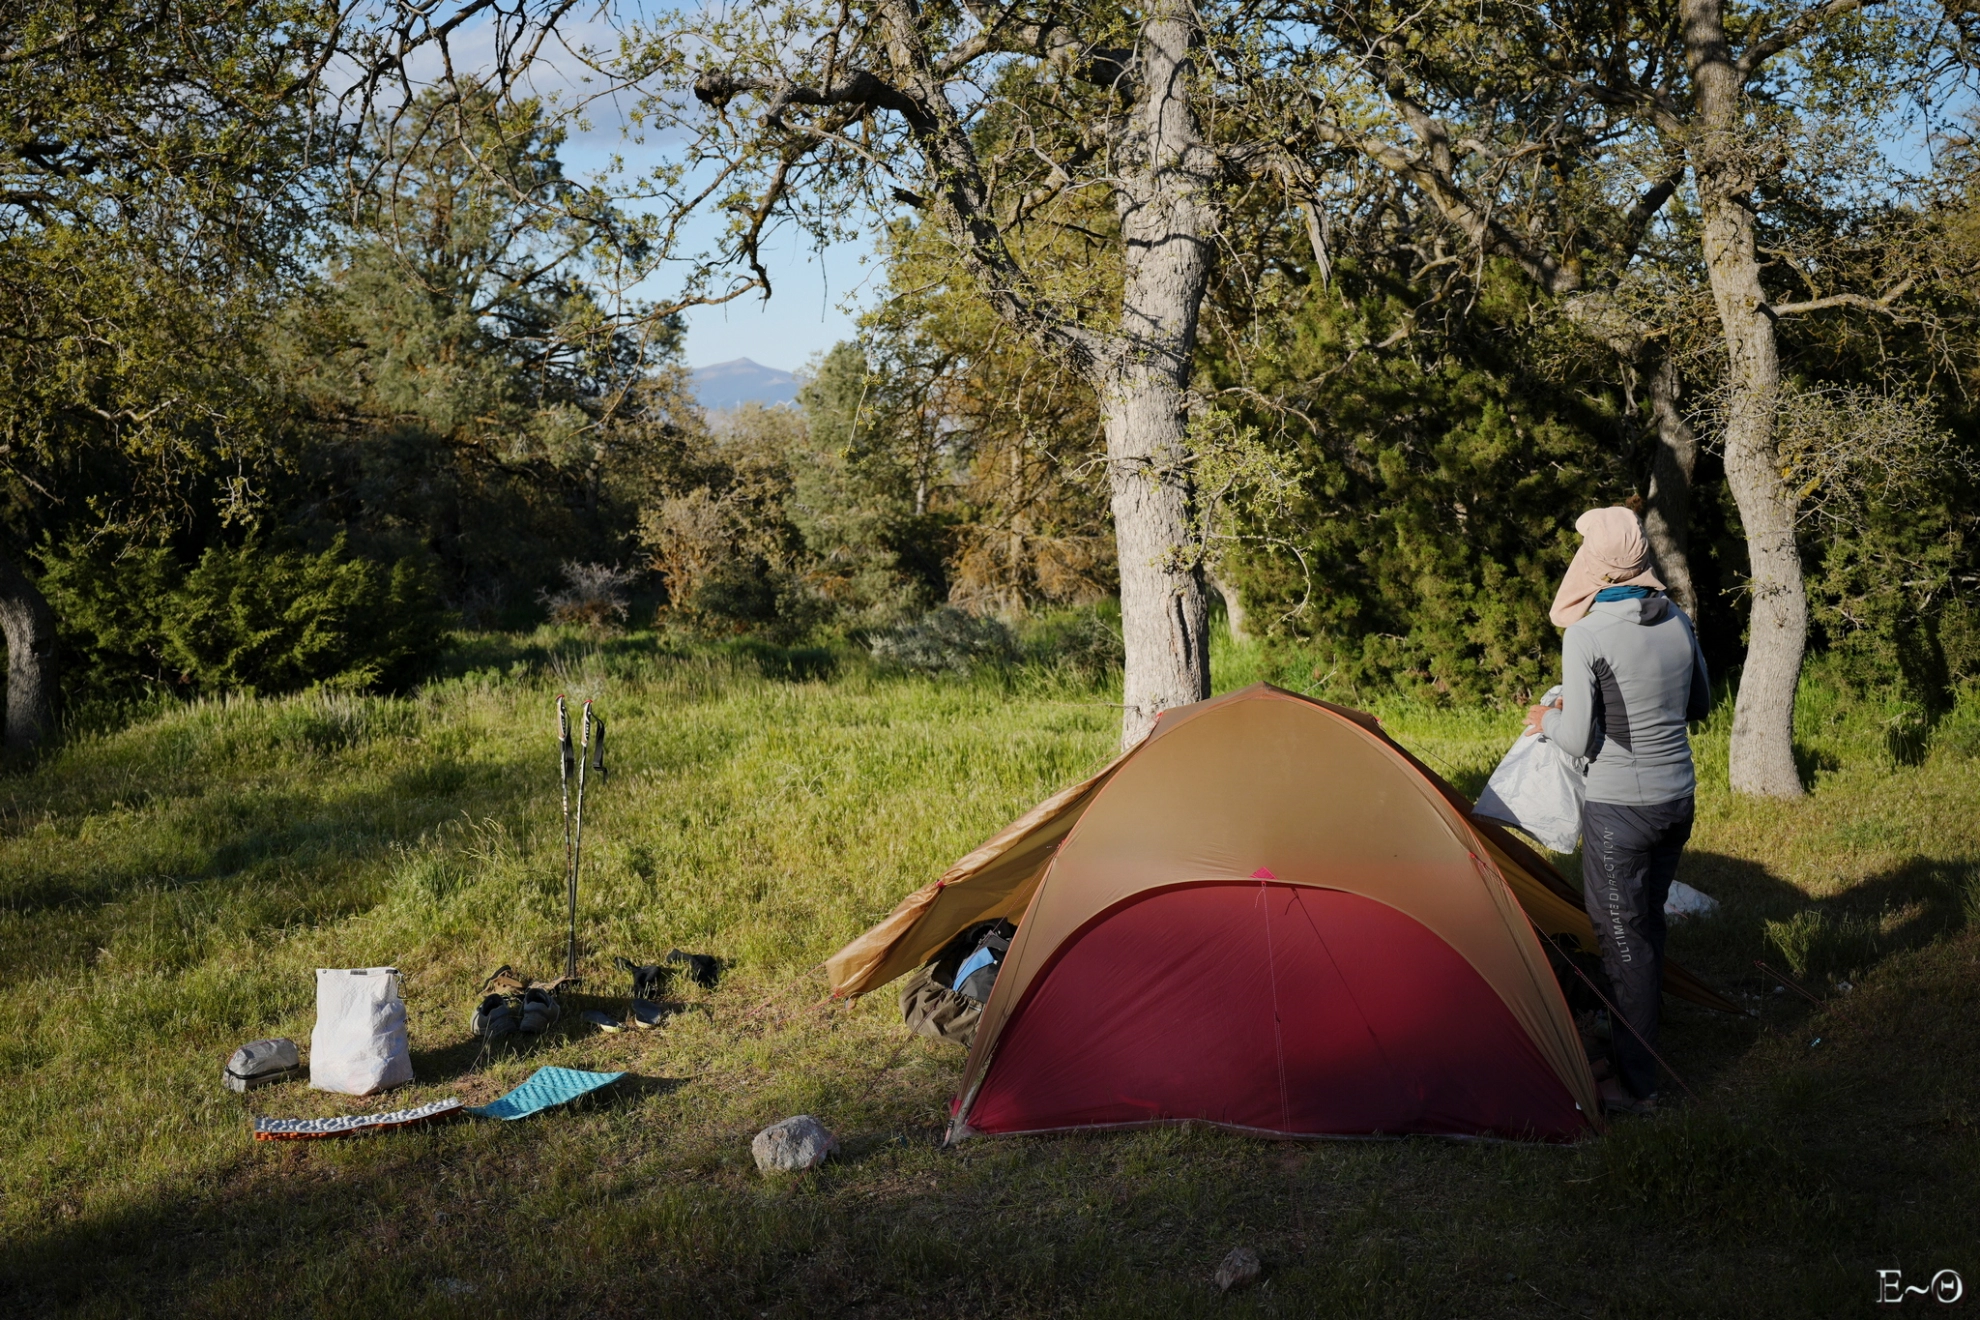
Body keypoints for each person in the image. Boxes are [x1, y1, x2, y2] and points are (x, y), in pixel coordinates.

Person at [1525, 506, 1710, 1116]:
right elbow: (1700, 705)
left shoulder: (1587, 634)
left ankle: (1638, 1086)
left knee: (1621, 939)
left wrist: (1545, 719)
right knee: (1646, 923)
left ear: (1594, 567)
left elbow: (1577, 738)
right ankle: (1641, 1032)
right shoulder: (1678, 619)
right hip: (1677, 798)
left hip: (1621, 811)